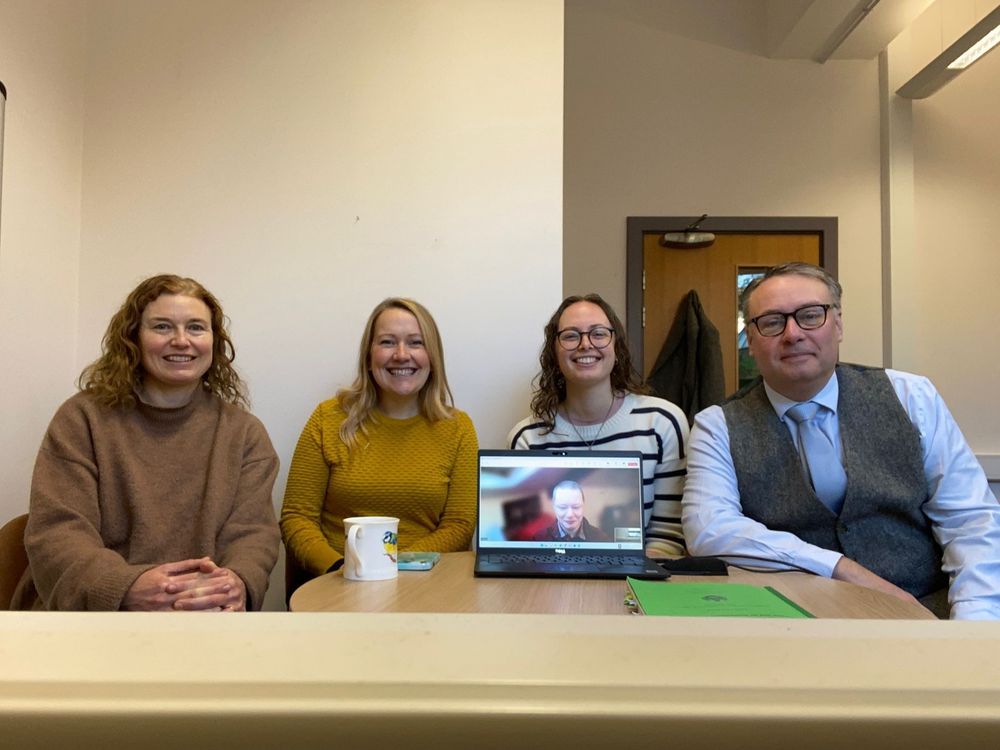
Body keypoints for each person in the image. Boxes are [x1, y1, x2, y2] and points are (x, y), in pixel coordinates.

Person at [682, 262, 1000, 619]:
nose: (793, 333)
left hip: (926, 610)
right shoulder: (716, 425)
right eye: (772, 322)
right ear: (751, 342)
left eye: (810, 315)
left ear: (838, 325)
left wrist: (974, 620)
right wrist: (841, 568)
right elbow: (710, 528)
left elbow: (969, 519)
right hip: (794, 622)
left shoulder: (911, 395)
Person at [13, 275, 280, 611]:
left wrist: (236, 582)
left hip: (204, 614)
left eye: (196, 327)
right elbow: (57, 533)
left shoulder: (245, 434)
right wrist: (125, 587)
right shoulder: (81, 419)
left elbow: (254, 534)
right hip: (94, 617)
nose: (181, 341)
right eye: (163, 327)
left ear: (214, 341)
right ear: (133, 339)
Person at [280, 298, 478, 586]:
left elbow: (459, 526)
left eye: (415, 343)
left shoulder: (458, 428)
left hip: (424, 584)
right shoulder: (328, 419)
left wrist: (391, 569)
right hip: (337, 582)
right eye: (387, 342)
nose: (401, 355)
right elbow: (297, 518)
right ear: (368, 357)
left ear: (432, 356)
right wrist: (341, 569)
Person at [508, 293, 689, 556]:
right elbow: (522, 546)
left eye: (599, 333)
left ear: (617, 346)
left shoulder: (662, 423)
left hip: (636, 585)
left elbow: (669, 536)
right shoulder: (527, 437)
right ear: (554, 353)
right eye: (570, 335)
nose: (585, 344)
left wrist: (624, 581)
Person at [532, 480, 610, 542]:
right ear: (554, 507)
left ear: (583, 506)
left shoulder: (601, 539)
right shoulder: (539, 538)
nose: (570, 514)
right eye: (562, 507)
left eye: (576, 507)